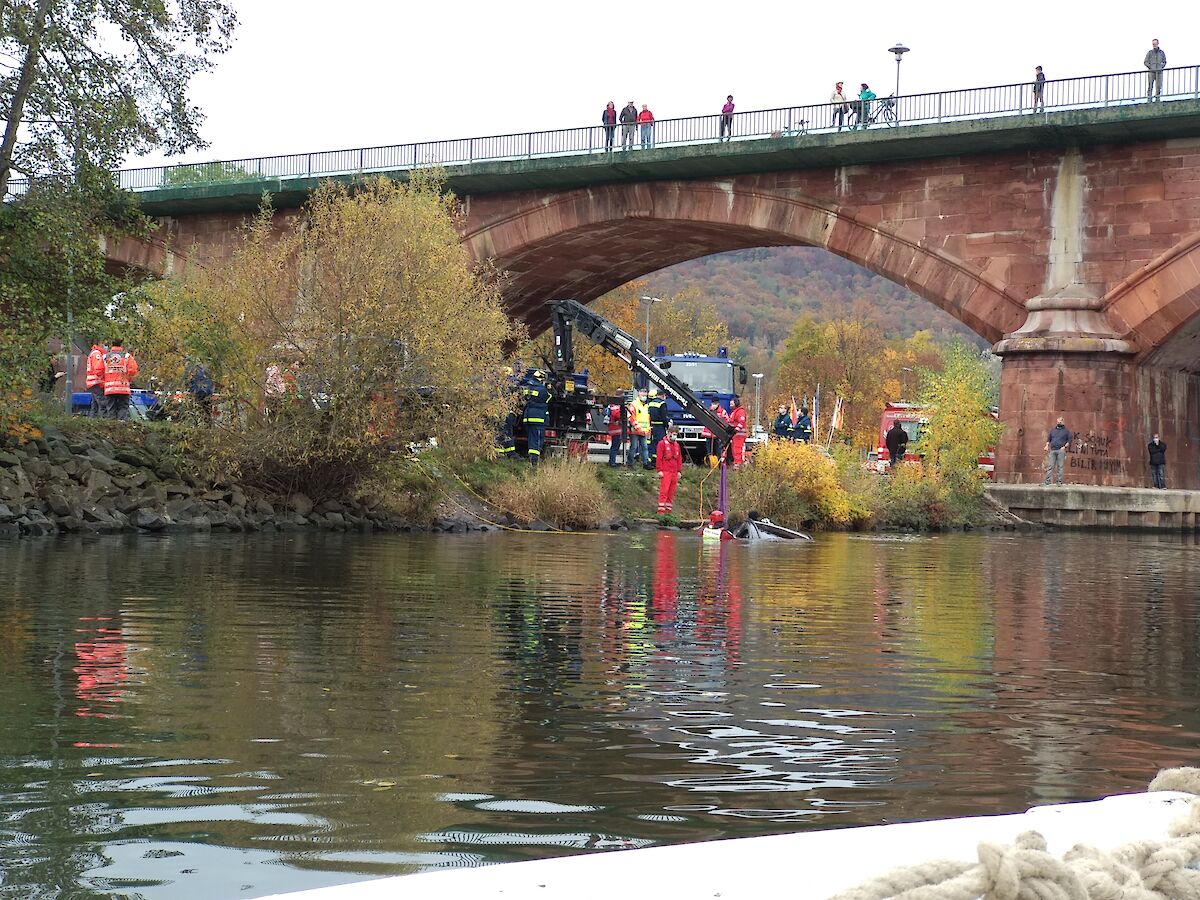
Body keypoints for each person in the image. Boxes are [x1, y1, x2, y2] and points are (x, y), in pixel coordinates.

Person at [102, 338, 138, 421]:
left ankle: (111, 427)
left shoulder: (105, 357)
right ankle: (121, 425)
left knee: (111, 408)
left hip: (109, 388)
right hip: (123, 387)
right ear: (121, 345)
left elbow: (98, 370)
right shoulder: (126, 356)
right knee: (123, 407)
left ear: (112, 345)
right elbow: (133, 370)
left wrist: (106, 378)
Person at [521, 370, 550, 467]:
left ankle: (531, 459)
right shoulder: (542, 389)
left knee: (531, 439)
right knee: (537, 439)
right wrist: (549, 389)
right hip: (538, 418)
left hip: (527, 417)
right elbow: (548, 398)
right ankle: (534, 462)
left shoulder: (527, 387)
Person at [655, 424, 684, 515]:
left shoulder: (676, 445)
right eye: (673, 434)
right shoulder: (662, 444)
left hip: (674, 471)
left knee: (671, 493)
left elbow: (679, 458)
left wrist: (679, 471)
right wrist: (659, 470)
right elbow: (659, 457)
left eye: (676, 434)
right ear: (668, 433)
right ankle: (661, 512)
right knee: (664, 491)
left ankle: (668, 512)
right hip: (666, 471)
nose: (674, 436)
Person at [1043, 416, 1073, 486]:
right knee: (1050, 466)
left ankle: (1059, 482)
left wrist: (1065, 447)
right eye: (1058, 421)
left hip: (1060, 450)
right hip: (1053, 450)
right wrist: (1047, 445)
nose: (1059, 423)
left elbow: (1069, 440)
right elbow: (1049, 439)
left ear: (1063, 422)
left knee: (1060, 467)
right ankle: (1047, 481)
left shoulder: (1066, 431)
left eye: (1060, 421)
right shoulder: (1053, 430)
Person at [184, 358, 215, 424]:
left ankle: (200, 426)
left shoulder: (191, 368)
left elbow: (188, 381)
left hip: (198, 392)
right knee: (207, 411)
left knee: (198, 412)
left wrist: (190, 389)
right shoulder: (205, 368)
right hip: (208, 392)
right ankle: (208, 426)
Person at [627, 389, 651, 467]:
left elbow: (648, 419)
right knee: (633, 447)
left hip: (643, 431)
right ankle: (630, 463)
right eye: (642, 395)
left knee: (644, 447)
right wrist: (638, 428)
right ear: (639, 395)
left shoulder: (647, 406)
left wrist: (647, 429)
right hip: (635, 431)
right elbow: (631, 418)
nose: (644, 397)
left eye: (645, 395)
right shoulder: (633, 404)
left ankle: (645, 463)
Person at [86, 342, 107, 417]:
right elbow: (98, 369)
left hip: (93, 383)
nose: (105, 346)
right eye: (105, 344)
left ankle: (92, 422)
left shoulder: (93, 353)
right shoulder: (97, 354)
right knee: (103, 404)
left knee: (94, 406)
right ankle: (104, 422)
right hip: (96, 382)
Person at [647, 387, 668, 463]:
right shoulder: (662, 404)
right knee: (661, 444)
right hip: (660, 426)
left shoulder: (651, 403)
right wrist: (667, 426)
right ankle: (659, 460)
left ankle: (651, 459)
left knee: (652, 443)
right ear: (663, 395)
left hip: (652, 425)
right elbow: (664, 416)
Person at [605, 400, 626, 467]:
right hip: (616, 429)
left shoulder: (610, 406)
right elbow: (617, 415)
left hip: (613, 428)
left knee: (614, 446)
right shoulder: (615, 407)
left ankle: (612, 461)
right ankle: (612, 462)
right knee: (615, 446)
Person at [728, 395, 748, 465]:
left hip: (739, 434)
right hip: (735, 435)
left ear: (736, 404)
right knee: (734, 450)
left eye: (731, 404)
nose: (730, 405)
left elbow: (741, 422)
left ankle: (738, 464)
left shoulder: (740, 411)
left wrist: (736, 429)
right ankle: (737, 463)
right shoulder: (734, 412)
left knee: (737, 450)